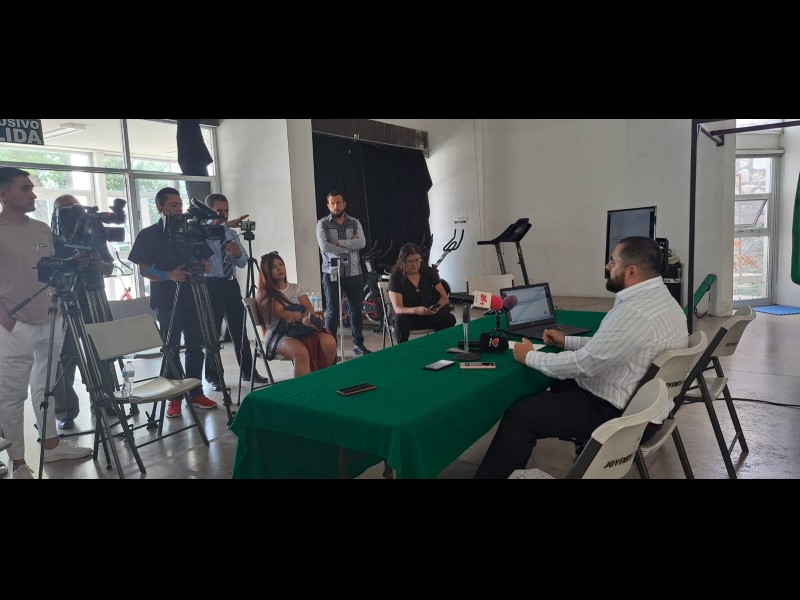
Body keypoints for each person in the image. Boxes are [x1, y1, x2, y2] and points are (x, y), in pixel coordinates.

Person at [474, 236, 688, 479]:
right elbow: (613, 346)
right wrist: (567, 342)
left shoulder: (635, 312)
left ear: (631, 271)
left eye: (613, 261)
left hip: (621, 416)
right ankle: (581, 448)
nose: (607, 266)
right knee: (559, 381)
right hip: (643, 406)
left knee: (521, 414)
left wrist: (530, 357)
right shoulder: (662, 299)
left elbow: (584, 364)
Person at [0, 167, 93, 479]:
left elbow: (51, 271)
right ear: (3, 194)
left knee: (46, 388)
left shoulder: (41, 229)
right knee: (13, 394)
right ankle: (18, 461)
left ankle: (51, 445)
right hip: (14, 324)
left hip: (51, 317)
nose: (33, 195)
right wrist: (5, 318)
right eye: (25, 189)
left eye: (32, 188)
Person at [127, 187, 218, 419]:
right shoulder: (149, 234)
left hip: (195, 294)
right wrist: (168, 275)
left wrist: (205, 265)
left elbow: (205, 259)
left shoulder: (192, 231)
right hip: (166, 299)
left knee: (196, 345)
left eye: (180, 205)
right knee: (171, 347)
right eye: (172, 205)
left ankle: (196, 392)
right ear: (159, 207)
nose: (178, 209)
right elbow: (144, 270)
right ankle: (174, 397)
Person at [51, 194, 115, 430]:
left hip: (94, 297)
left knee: (103, 351)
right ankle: (65, 411)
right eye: (66, 208)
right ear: (56, 212)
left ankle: (105, 399)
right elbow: (46, 271)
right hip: (65, 300)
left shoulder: (92, 233)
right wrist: (72, 262)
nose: (73, 212)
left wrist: (97, 263)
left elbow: (109, 268)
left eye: (75, 207)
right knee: (65, 356)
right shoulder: (51, 238)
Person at [202, 193, 269, 390]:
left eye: (226, 210)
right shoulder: (202, 232)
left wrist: (238, 253)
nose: (224, 214)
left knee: (239, 330)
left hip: (231, 284)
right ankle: (214, 377)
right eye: (219, 211)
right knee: (213, 333)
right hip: (210, 285)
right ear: (209, 211)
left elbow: (243, 262)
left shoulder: (231, 233)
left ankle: (248, 371)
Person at [256, 252, 337, 378]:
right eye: (274, 267)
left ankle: (320, 379)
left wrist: (306, 319)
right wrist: (303, 319)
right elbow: (282, 313)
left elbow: (309, 308)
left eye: (281, 264)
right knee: (301, 352)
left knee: (329, 342)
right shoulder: (264, 293)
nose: (279, 268)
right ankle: (304, 388)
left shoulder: (295, 287)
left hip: (301, 329)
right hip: (278, 333)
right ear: (267, 271)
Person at [315, 190, 371, 356]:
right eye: (332, 203)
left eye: (338, 202)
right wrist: (349, 245)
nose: (336, 206)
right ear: (328, 206)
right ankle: (330, 349)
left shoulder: (355, 223)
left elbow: (361, 243)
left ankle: (358, 345)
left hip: (354, 272)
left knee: (356, 311)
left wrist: (338, 242)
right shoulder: (322, 224)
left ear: (344, 204)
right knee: (332, 312)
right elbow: (325, 247)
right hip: (332, 273)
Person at [387, 242, 456, 342]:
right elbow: (398, 308)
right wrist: (416, 310)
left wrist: (437, 307)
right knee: (400, 321)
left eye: (417, 260)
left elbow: (444, 297)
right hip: (409, 316)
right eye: (410, 261)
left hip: (430, 314)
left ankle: (435, 343)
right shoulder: (396, 277)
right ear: (402, 261)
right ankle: (404, 349)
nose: (415, 265)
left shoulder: (429, 272)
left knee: (449, 319)